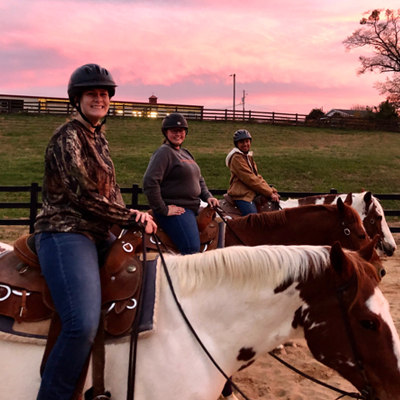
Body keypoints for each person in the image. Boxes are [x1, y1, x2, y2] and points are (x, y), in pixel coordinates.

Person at [34, 63, 157, 400]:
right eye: (92, 94)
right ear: (78, 99)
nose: (99, 99)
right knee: (81, 324)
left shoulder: (98, 137)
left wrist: (131, 213)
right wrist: (129, 218)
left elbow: (110, 192)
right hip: (66, 232)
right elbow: (83, 195)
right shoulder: (67, 136)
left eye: (104, 94)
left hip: (99, 233)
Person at [143, 112, 219, 255]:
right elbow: (150, 182)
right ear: (166, 133)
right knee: (191, 248)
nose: (178, 134)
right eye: (174, 131)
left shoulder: (186, 153)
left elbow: (199, 179)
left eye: (181, 131)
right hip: (178, 209)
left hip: (195, 205)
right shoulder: (164, 152)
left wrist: (208, 196)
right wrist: (163, 209)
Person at [226, 129, 280, 216]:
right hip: (242, 195)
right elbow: (250, 179)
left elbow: (256, 176)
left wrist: (272, 190)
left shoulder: (247, 156)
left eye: (247, 141)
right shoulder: (237, 158)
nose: (245, 144)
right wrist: (269, 193)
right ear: (237, 144)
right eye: (241, 142)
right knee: (254, 220)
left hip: (250, 192)